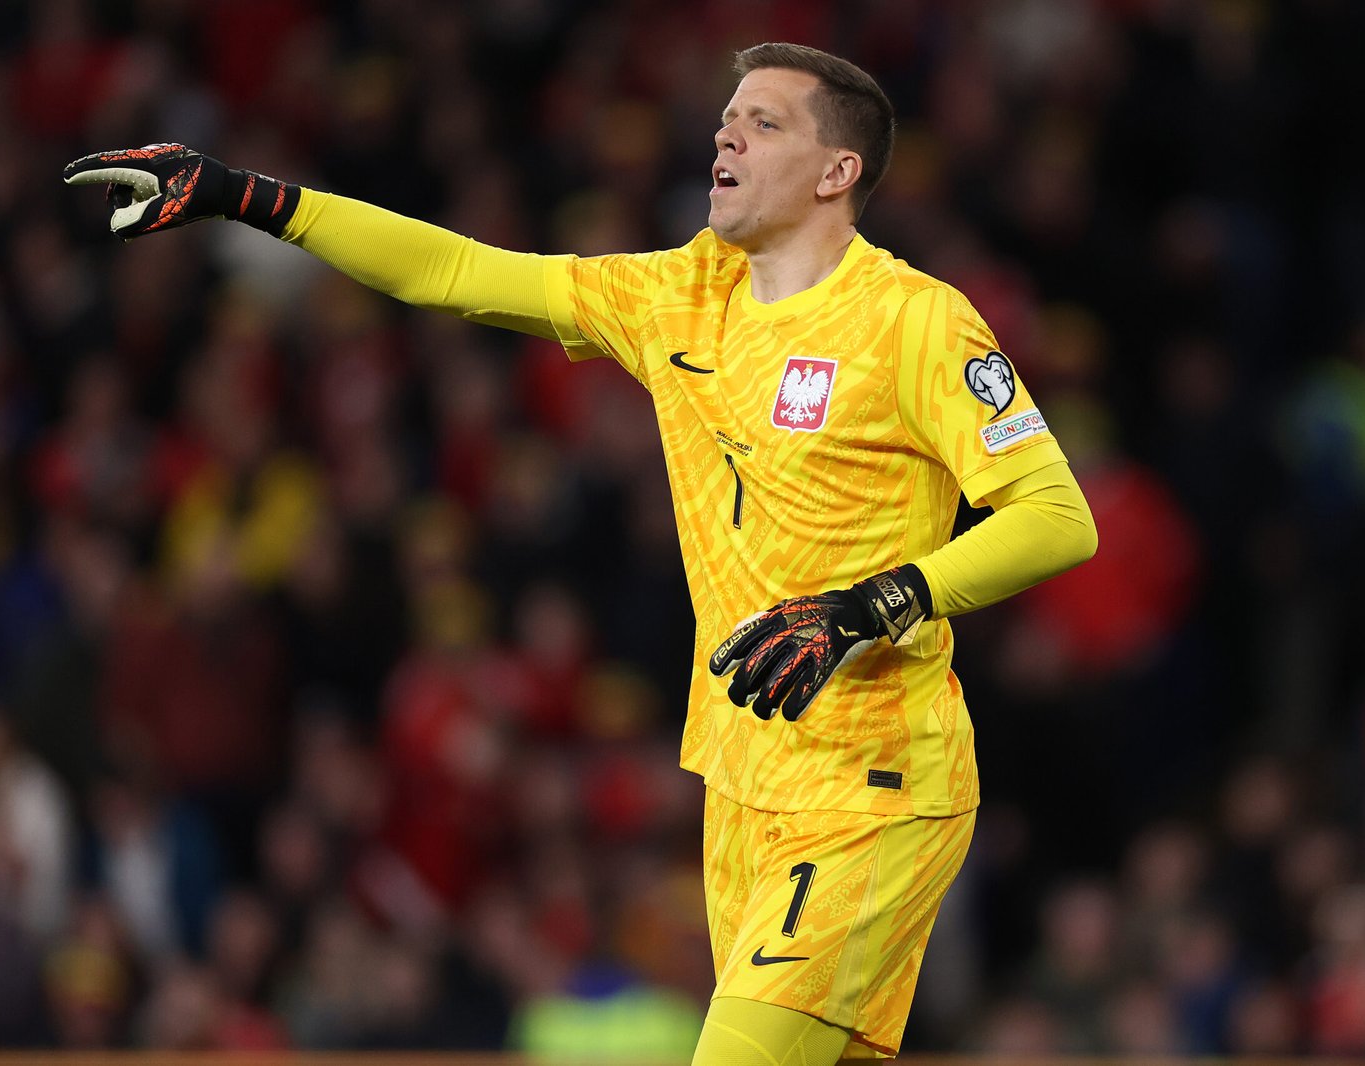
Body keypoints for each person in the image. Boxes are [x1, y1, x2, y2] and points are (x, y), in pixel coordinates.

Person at [65, 41, 1097, 1065]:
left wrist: (873, 604)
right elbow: (460, 273)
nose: (724, 133)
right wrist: (249, 196)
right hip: (741, 778)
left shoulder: (915, 322)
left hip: (874, 782)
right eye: (726, 117)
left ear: (838, 173)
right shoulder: (679, 295)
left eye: (764, 121)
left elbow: (1056, 517)